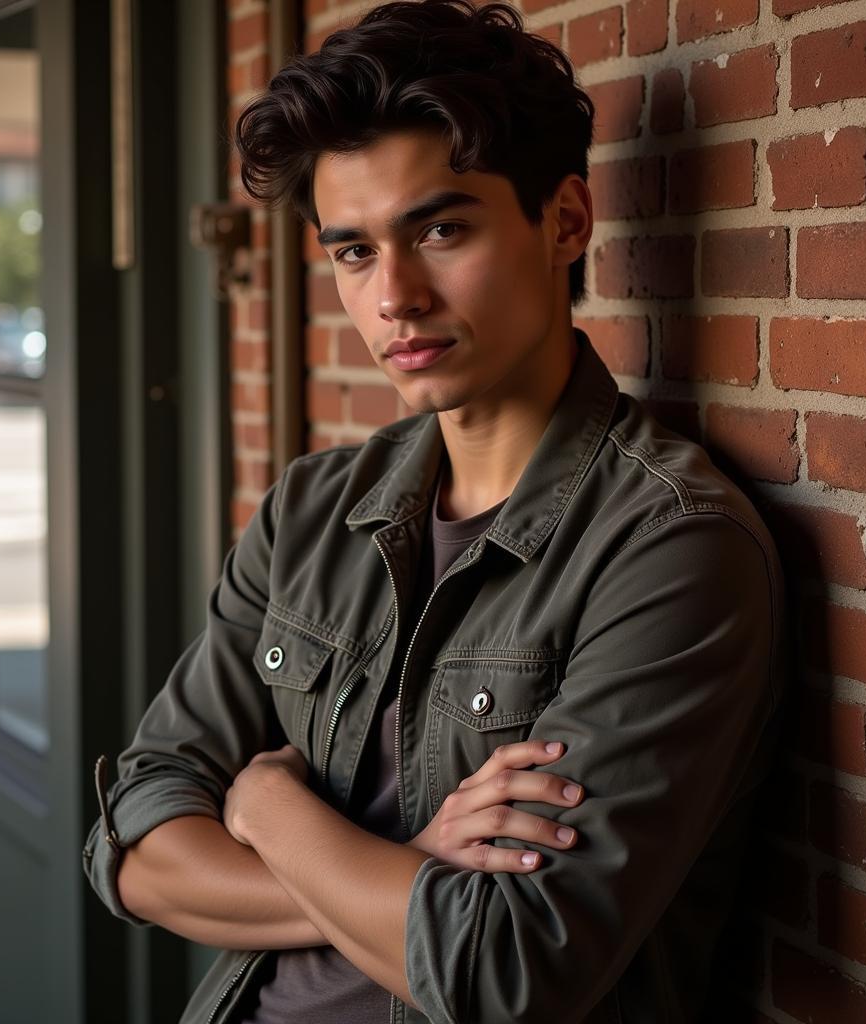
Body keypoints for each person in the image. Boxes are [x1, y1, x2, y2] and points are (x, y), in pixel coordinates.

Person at [82, 2, 790, 1022]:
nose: (393, 298)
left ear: (565, 221)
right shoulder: (313, 509)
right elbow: (131, 845)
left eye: (441, 228)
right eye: (354, 252)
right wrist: (404, 870)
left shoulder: (670, 544)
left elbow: (507, 972)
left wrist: (266, 806)